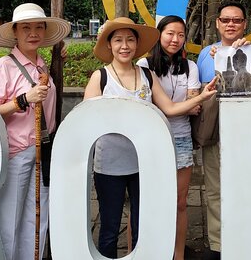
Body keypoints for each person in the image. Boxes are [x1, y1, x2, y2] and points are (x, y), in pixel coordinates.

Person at [84, 17, 217, 259]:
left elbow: (168, 108)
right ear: (110, 45)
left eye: (130, 40)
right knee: (109, 228)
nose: (125, 46)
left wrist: (202, 97)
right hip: (109, 165)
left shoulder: (146, 75)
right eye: (118, 40)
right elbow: (85, 123)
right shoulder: (100, 77)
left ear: (137, 45)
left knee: (141, 224)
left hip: (142, 164)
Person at [0, 3, 71, 260]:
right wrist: (22, 99)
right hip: (16, 152)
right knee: (10, 219)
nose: (33, 33)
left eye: (38, 27)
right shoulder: (4, 66)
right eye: (26, 28)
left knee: (37, 217)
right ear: (15, 33)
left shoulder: (42, 65)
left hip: (42, 151)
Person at [136, 15, 201, 260]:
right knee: (146, 201)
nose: (175, 39)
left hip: (181, 138)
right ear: (159, 35)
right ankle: (142, 250)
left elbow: (195, 107)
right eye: (170, 33)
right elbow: (146, 101)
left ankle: (178, 253)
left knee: (180, 202)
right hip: (151, 138)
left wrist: (175, 105)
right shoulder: (144, 65)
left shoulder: (190, 67)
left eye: (180, 35)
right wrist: (181, 105)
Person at [196, 1, 249, 260]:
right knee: (215, 187)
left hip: (245, 132)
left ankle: (243, 236)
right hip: (214, 130)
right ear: (217, 23)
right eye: (226, 20)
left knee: (244, 186)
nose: (231, 24)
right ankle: (217, 243)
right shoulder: (206, 54)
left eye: (236, 20)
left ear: (244, 24)